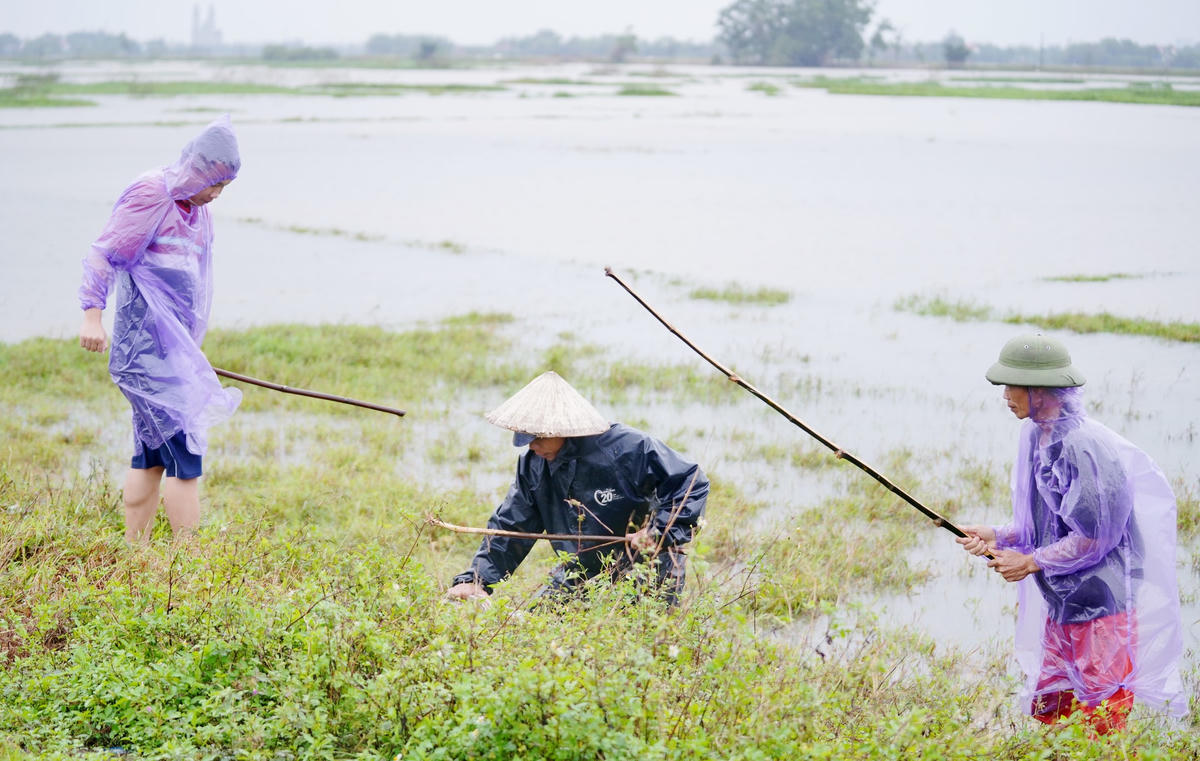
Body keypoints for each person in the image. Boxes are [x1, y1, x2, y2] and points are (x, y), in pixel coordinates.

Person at [957, 333, 1186, 734]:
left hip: (1101, 605)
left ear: (1040, 392)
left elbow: (1096, 538)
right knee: (1054, 711)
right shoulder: (1036, 434)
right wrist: (996, 535)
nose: (1005, 395)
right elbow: (1047, 524)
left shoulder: (1083, 446)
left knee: (1101, 717)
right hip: (1064, 601)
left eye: (1012, 386)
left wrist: (1030, 561)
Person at [77, 115, 243, 543]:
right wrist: (92, 315)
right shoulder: (153, 193)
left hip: (174, 352)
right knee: (186, 455)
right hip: (145, 352)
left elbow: (190, 282)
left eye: (224, 188)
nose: (217, 194)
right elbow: (104, 255)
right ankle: (186, 562)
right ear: (198, 169)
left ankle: (137, 551)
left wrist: (190, 349)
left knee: (150, 455)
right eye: (215, 184)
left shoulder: (197, 211)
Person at [446, 371, 709, 606]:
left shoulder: (627, 448)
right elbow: (512, 526)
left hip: (646, 565)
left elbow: (690, 481)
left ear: (562, 428)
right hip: (583, 568)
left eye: (536, 437)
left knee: (637, 641)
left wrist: (658, 532)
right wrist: (477, 579)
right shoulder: (534, 464)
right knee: (538, 627)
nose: (531, 446)